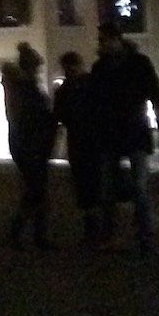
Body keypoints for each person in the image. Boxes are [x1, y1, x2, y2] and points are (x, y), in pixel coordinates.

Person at [89, 23, 159, 252]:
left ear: (116, 39)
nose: (102, 44)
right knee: (112, 188)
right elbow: (94, 103)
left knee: (137, 187)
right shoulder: (106, 66)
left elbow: (155, 94)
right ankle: (121, 235)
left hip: (130, 130)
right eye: (101, 40)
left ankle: (143, 236)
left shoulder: (134, 64)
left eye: (104, 40)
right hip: (116, 132)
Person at [2, 43, 58, 249]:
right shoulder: (25, 89)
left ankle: (31, 234)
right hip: (31, 145)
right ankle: (26, 234)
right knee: (36, 191)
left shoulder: (20, 88)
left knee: (36, 191)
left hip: (28, 144)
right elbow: (32, 117)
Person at [51, 50, 101, 243]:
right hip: (90, 140)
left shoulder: (67, 89)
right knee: (90, 183)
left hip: (82, 140)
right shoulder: (91, 84)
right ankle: (96, 226)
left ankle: (93, 226)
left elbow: (59, 116)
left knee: (85, 183)